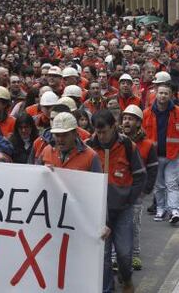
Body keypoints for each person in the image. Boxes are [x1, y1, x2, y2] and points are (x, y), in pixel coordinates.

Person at [86, 110, 146, 293]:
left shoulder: (128, 146)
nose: (101, 136)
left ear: (114, 126)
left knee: (124, 253)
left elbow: (140, 177)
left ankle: (126, 278)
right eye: (98, 132)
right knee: (103, 257)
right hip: (98, 213)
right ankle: (108, 289)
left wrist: (128, 199)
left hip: (122, 211)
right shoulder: (87, 147)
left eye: (104, 131)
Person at [121, 104, 158, 270]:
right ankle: (116, 257)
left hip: (136, 193)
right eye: (125, 118)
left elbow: (152, 169)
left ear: (138, 122)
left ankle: (135, 255)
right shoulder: (117, 141)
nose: (127, 121)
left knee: (134, 225)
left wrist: (145, 191)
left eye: (131, 119)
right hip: (118, 192)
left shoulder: (148, 145)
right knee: (116, 225)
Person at [143, 83, 179, 224]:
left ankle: (174, 210)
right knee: (159, 185)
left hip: (174, 155)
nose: (163, 95)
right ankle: (160, 209)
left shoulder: (177, 112)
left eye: (166, 93)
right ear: (156, 94)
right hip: (155, 156)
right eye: (161, 93)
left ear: (171, 95)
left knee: (172, 184)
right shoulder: (147, 113)